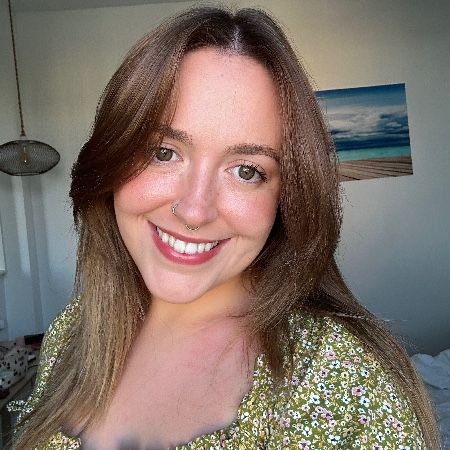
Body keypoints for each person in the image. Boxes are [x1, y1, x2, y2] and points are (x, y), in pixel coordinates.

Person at [9, 5, 441, 450]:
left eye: (247, 171)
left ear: (287, 198)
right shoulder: (71, 333)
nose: (195, 211)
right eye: (162, 152)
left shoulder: (344, 385)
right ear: (112, 158)